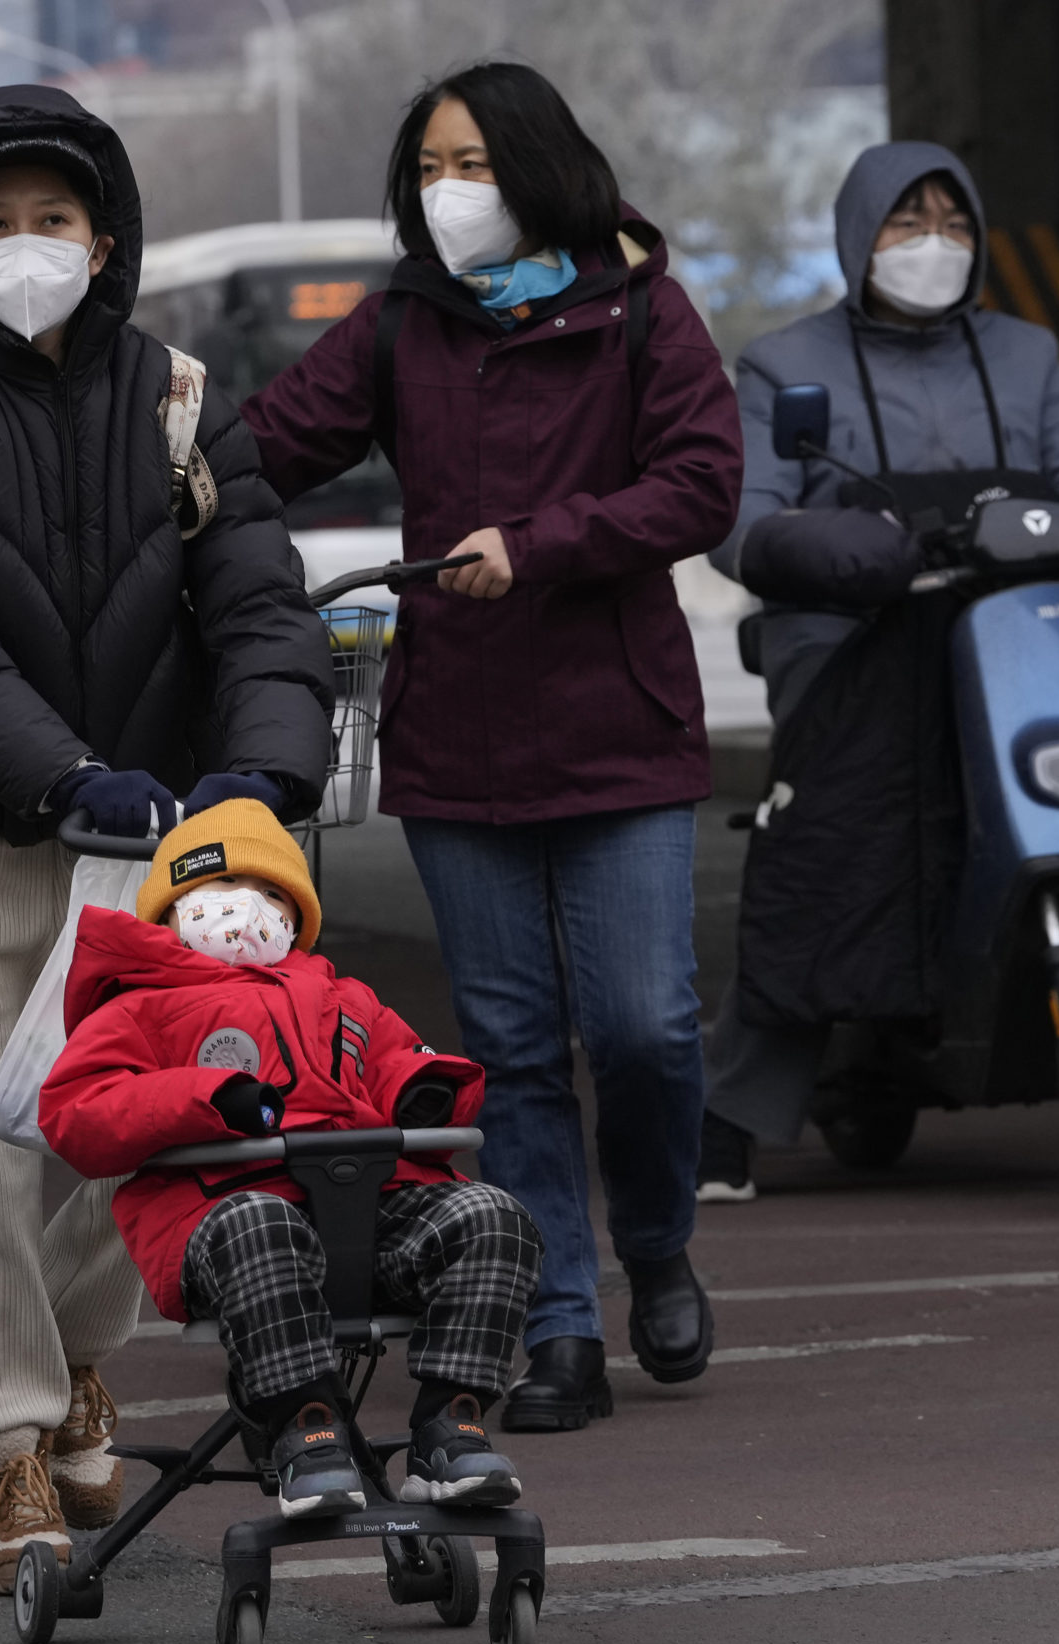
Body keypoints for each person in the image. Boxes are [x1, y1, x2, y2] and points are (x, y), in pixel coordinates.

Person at [0, 84, 334, 1592]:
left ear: (105, 235)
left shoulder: (186, 396)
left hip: (154, 841)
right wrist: (53, 773)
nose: (25, 247)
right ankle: (7, 1456)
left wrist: (259, 777)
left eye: (52, 220)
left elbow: (257, 601)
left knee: (127, 1126)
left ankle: (79, 1363)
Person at [241, 63, 742, 1433]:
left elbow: (702, 482)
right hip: (459, 733)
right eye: (429, 167)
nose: (447, 192)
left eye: (472, 163)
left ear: (539, 169)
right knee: (514, 1048)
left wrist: (539, 547)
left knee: (645, 1027)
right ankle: (559, 1320)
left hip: (620, 726)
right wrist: (147, 462)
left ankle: (656, 1239)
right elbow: (272, 441)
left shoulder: (640, 306)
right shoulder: (406, 322)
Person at [697, 142, 1059, 1201]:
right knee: (833, 844)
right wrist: (811, 549)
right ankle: (727, 1112)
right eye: (904, 224)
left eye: (950, 223)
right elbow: (737, 518)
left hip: (1013, 627)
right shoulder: (782, 363)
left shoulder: (1024, 355)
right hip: (850, 637)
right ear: (857, 238)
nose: (930, 244)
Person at [37, 801, 539, 1517]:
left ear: (297, 918)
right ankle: (308, 1429)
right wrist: (209, 1095)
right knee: (260, 1227)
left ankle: (449, 1424)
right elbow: (77, 1111)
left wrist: (422, 1089)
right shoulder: (136, 1006)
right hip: (223, 1215)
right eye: (221, 889)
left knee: (492, 1215)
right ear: (171, 908)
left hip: (366, 1212)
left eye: (274, 894)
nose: (248, 907)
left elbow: (399, 1054)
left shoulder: (340, 993)